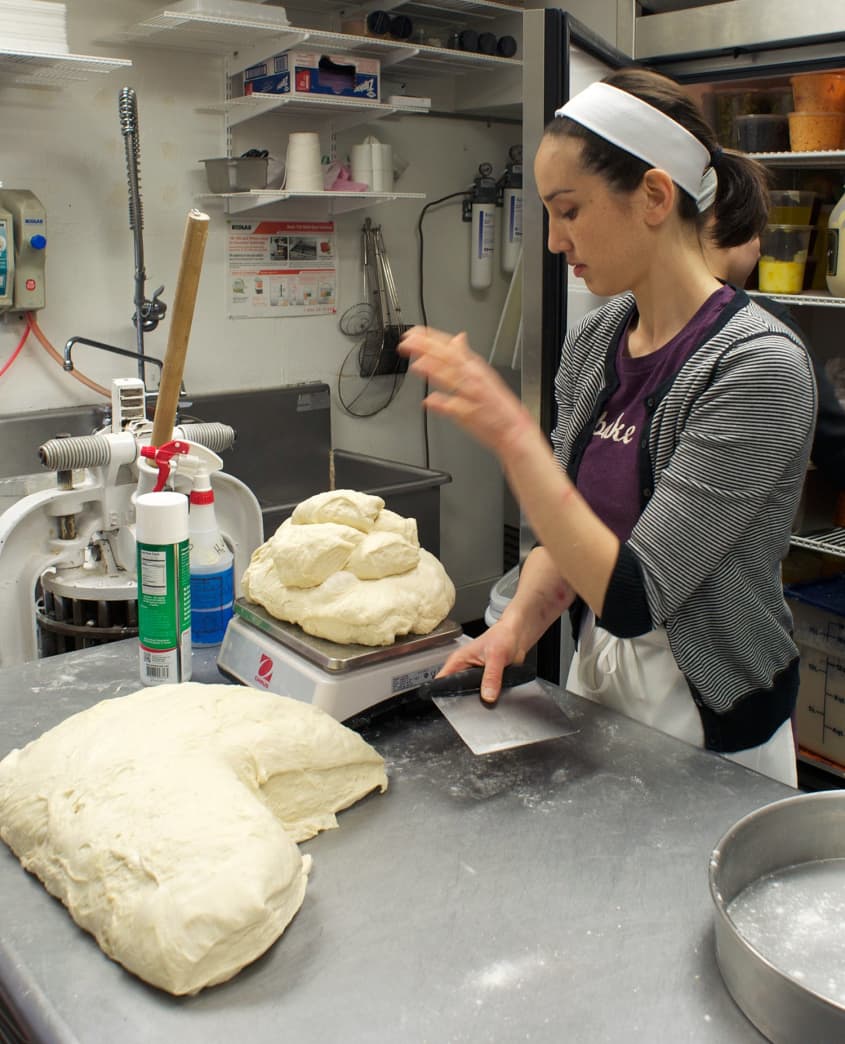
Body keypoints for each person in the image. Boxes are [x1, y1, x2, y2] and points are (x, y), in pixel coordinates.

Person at [399, 68, 818, 787]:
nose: (554, 240)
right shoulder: (595, 342)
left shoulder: (757, 366)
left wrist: (514, 437)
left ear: (654, 196)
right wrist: (513, 627)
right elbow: (570, 538)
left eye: (569, 210)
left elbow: (633, 596)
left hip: (715, 722)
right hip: (602, 685)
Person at [701, 210, 845, 491]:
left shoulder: (631, 314)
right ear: (719, 224)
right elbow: (830, 439)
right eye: (756, 235)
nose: (759, 251)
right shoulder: (766, 322)